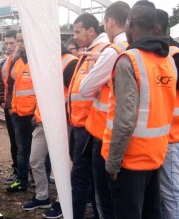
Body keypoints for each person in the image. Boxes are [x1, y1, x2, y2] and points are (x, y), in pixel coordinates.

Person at [101, 0, 177, 219]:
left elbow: (125, 120)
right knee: (152, 212)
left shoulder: (129, 60)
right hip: (156, 156)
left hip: (130, 160)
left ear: (129, 22)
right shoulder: (168, 62)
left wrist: (113, 163)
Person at [79, 1, 130, 219]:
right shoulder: (134, 48)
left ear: (109, 21)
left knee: (104, 198)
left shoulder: (113, 51)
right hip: (129, 135)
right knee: (122, 197)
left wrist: (101, 64)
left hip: (104, 134)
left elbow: (84, 89)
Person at [22, 43, 78, 211]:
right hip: (42, 122)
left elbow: (75, 93)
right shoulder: (44, 62)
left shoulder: (69, 62)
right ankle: (42, 196)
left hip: (61, 124)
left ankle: (63, 201)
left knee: (62, 164)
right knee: (35, 160)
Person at [68, 13, 109, 219]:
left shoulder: (101, 52)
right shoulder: (91, 51)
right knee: (87, 175)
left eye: (78, 31)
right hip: (80, 123)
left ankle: (77, 215)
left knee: (80, 176)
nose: (75, 36)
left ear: (91, 30)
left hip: (87, 125)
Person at [153, 9, 179, 219]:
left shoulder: (171, 56)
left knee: (170, 193)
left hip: (171, 136)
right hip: (164, 135)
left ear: (156, 28)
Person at [5, 29, 36, 192]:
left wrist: (38, 112)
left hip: (33, 116)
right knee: (22, 150)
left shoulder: (38, 60)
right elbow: (11, 85)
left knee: (38, 152)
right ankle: (22, 181)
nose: (19, 44)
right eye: (18, 41)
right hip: (18, 114)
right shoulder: (16, 61)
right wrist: (10, 106)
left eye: (22, 41)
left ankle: (37, 180)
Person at [0, 30, 19, 185]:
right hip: (9, 108)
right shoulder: (3, 63)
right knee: (14, 141)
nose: (9, 46)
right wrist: (1, 99)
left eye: (12, 43)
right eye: (7, 43)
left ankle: (28, 171)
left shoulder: (27, 61)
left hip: (24, 109)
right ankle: (17, 170)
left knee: (26, 143)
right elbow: (1, 84)